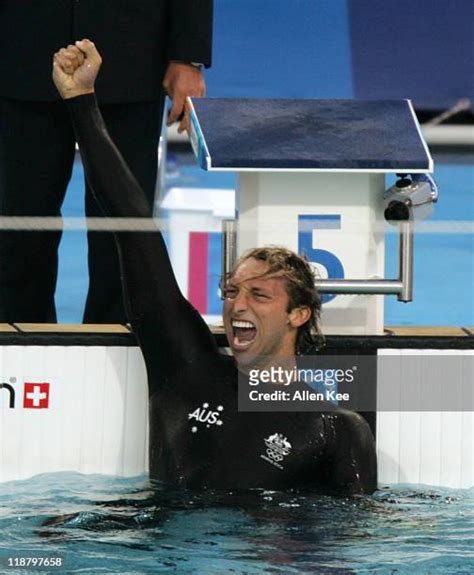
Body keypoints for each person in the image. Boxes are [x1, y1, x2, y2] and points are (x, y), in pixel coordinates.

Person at [52, 40, 377, 494]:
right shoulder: (185, 367)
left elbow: (353, 543)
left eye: (259, 295)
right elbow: (132, 228)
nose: (237, 305)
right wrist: (81, 102)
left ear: (298, 314)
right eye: (231, 291)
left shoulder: (337, 429)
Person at [0, 1, 212, 324]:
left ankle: (115, 357)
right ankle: (18, 357)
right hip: (21, 48)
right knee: (18, 231)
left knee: (123, 235)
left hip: (130, 52)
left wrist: (187, 55)